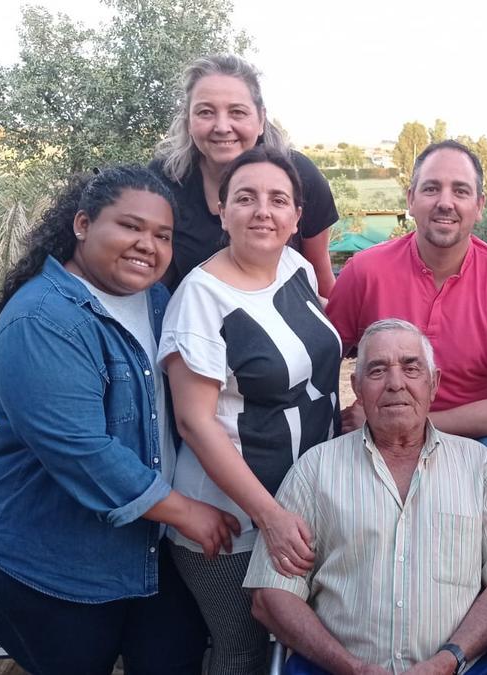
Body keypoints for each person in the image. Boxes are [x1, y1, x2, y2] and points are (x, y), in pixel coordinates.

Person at [0, 166, 242, 675]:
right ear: (83, 224)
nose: (146, 245)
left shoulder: (154, 301)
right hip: (45, 566)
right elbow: (83, 450)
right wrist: (188, 513)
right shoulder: (42, 320)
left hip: (141, 557)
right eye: (130, 227)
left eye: (162, 235)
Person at [246, 319, 487, 675]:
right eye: (377, 371)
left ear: (434, 383)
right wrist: (351, 667)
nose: (396, 383)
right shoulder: (315, 470)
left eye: (411, 368)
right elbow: (271, 596)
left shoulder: (482, 468)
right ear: (357, 388)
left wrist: (446, 662)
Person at [159, 146, 342, 673]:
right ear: (221, 208)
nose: (263, 210)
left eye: (277, 199)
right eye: (246, 197)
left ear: (295, 216)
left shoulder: (295, 266)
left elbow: (314, 366)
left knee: (294, 646)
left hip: (299, 502)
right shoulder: (201, 299)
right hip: (234, 518)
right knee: (243, 652)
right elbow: (195, 422)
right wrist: (270, 517)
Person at [325, 140, 487, 515]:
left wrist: (412, 425)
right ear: (410, 199)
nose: (445, 202)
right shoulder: (365, 271)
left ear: (479, 205)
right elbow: (321, 360)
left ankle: (475, 566)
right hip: (380, 425)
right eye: (431, 188)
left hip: (470, 433)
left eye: (460, 191)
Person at [153, 54, 339, 295]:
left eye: (237, 112)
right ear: (188, 121)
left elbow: (321, 281)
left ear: (261, 118)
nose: (221, 127)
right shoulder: (162, 182)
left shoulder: (300, 177)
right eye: (205, 112)